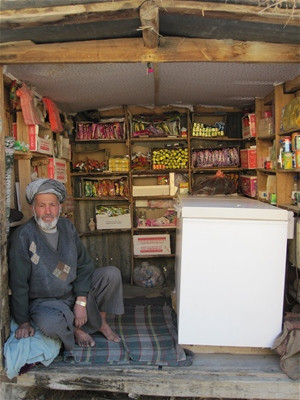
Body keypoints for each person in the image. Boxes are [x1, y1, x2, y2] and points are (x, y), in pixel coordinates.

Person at [8, 178, 124, 351]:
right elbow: (18, 284)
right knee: (51, 325)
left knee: (111, 275)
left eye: (52, 205)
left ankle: (101, 322)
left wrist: (81, 300)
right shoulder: (23, 237)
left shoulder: (67, 227)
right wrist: (23, 322)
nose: (48, 211)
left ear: (59, 207)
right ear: (33, 208)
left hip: (74, 291)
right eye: (41, 205)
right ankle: (76, 329)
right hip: (46, 301)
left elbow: (85, 265)